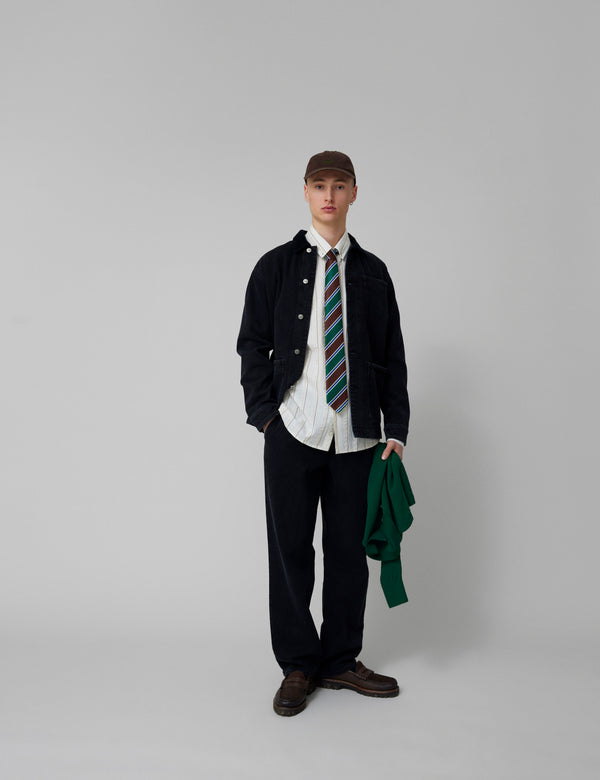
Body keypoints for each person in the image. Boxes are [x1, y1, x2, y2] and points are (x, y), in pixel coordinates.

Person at [237, 151, 410, 716]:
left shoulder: (373, 272)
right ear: (306, 192)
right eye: (319, 185)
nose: (329, 195)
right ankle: (297, 664)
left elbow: (392, 355)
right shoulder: (275, 267)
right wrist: (266, 417)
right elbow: (252, 345)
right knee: (289, 550)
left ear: (354, 193)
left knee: (347, 552)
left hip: (357, 435)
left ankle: (339, 659)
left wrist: (395, 429)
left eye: (339, 185)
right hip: (293, 428)